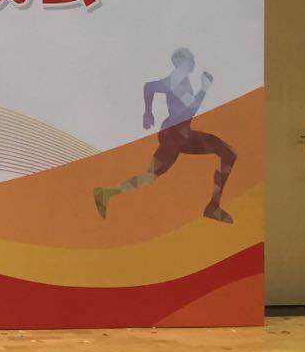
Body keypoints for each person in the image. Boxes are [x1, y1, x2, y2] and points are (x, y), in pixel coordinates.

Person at [93, 48, 238, 224]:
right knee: (149, 177)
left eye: (192, 59)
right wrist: (204, 89)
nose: (193, 62)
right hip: (174, 138)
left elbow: (149, 87)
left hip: (181, 135)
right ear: (179, 61)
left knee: (228, 153)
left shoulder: (177, 79)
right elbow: (190, 109)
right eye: (189, 59)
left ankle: (213, 206)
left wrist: (148, 112)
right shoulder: (176, 81)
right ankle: (105, 193)